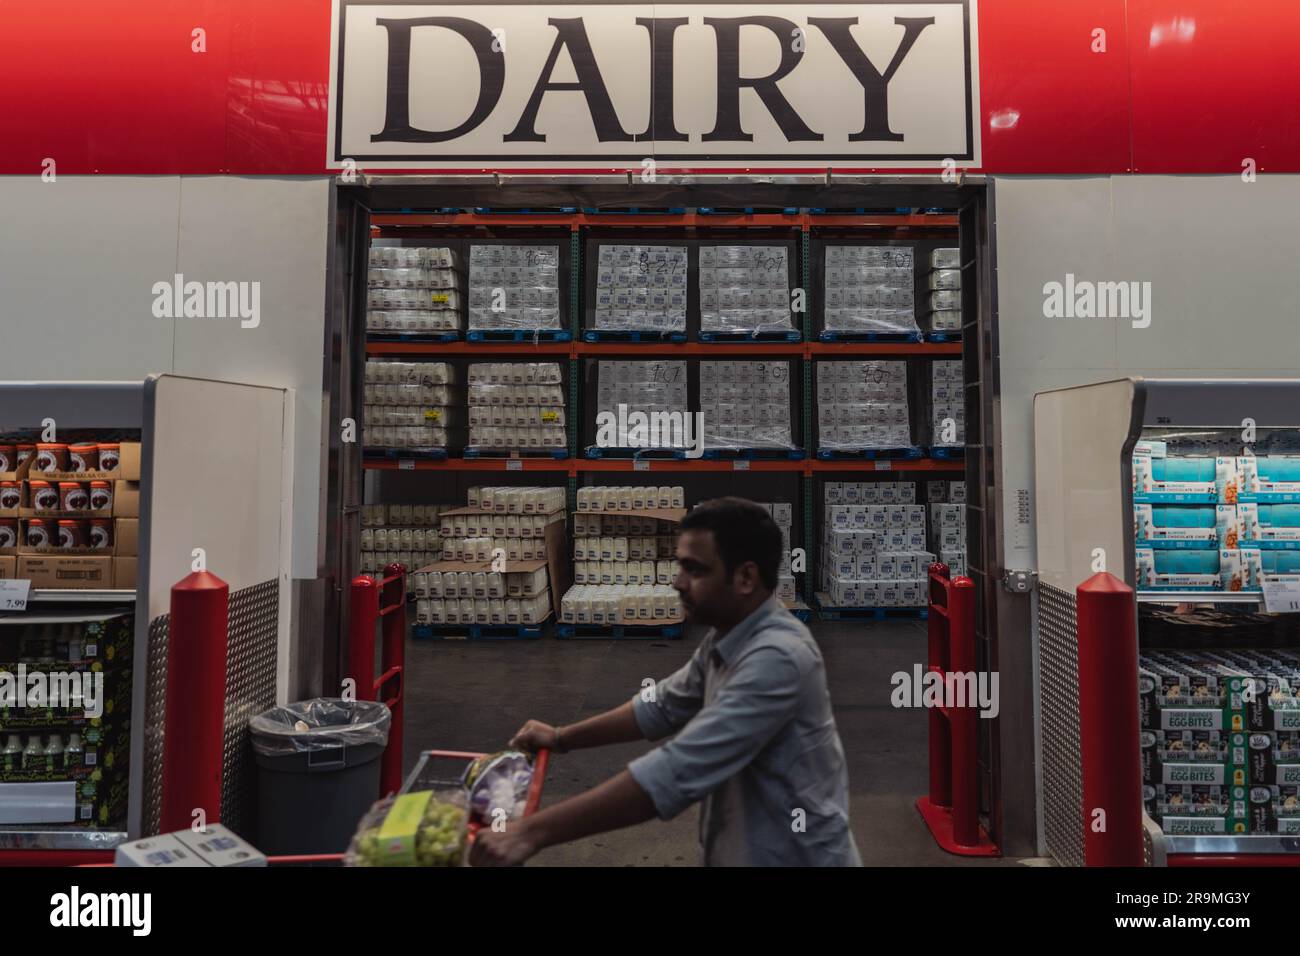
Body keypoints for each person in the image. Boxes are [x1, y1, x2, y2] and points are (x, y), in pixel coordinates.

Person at [470, 496, 861, 867]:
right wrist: (560, 737)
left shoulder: (778, 659)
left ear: (745, 577)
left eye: (695, 570)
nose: (677, 582)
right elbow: (661, 705)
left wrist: (530, 833)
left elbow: (677, 770)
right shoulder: (729, 635)